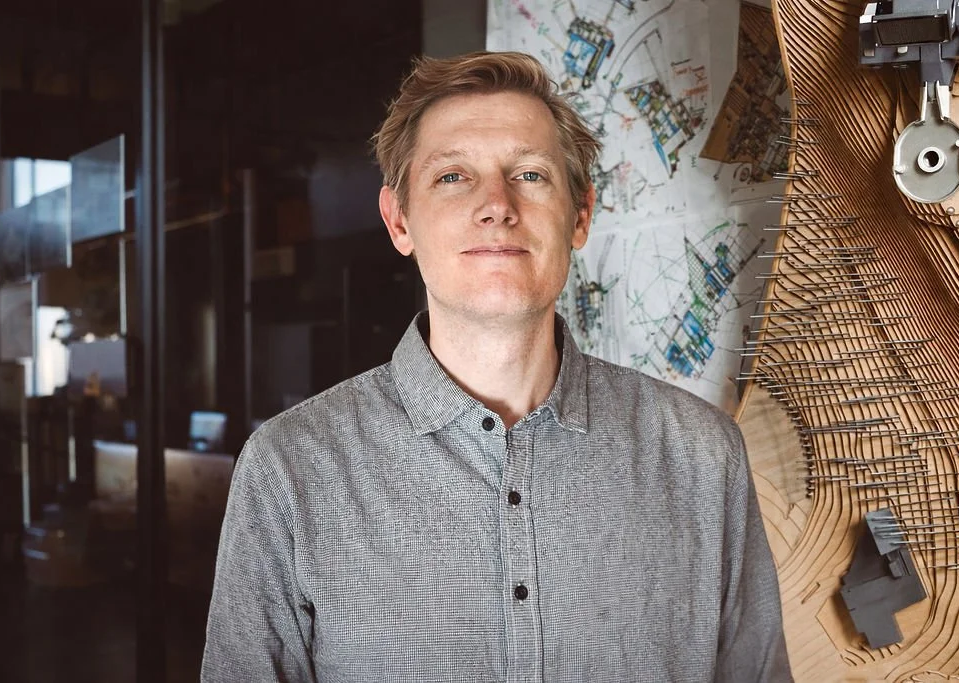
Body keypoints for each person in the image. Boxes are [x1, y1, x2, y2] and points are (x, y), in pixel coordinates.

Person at [201, 50, 793, 682]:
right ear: (399, 220)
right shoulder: (289, 469)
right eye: (453, 176)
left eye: (531, 175)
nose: (497, 205)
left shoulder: (703, 456)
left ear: (581, 215)